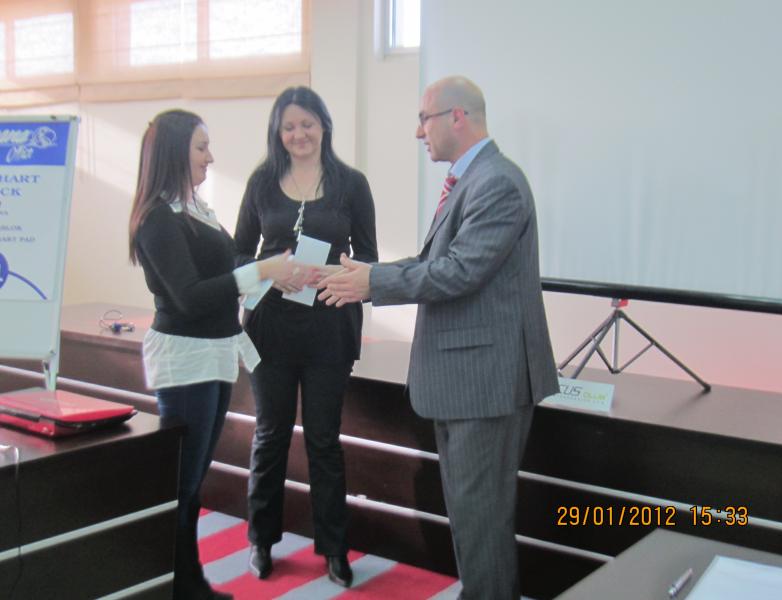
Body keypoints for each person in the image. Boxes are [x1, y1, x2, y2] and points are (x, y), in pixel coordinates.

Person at [318, 76, 559, 599]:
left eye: (423, 119)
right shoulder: (473, 179)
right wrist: (371, 274)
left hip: (485, 385)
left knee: (481, 521)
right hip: (467, 381)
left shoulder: (496, 182)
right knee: (473, 520)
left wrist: (374, 283)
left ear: (457, 117)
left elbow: (460, 271)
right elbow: (436, 262)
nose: (418, 132)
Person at [129, 109, 313, 600]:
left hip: (214, 353)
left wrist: (271, 272)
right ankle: (178, 583)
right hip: (186, 358)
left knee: (194, 482)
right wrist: (261, 271)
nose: (210, 157)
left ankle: (188, 580)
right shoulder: (158, 219)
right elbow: (190, 297)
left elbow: (223, 273)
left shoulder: (195, 208)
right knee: (184, 484)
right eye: (201, 147)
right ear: (175, 153)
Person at [234, 86, 378, 588]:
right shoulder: (261, 181)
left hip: (329, 327)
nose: (299, 134)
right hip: (269, 327)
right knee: (270, 435)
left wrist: (336, 272)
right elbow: (237, 255)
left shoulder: (351, 184)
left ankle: (335, 549)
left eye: (307, 124)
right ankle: (261, 540)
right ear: (278, 132)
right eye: (289, 126)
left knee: (323, 440)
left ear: (324, 126)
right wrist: (271, 272)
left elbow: (370, 259)